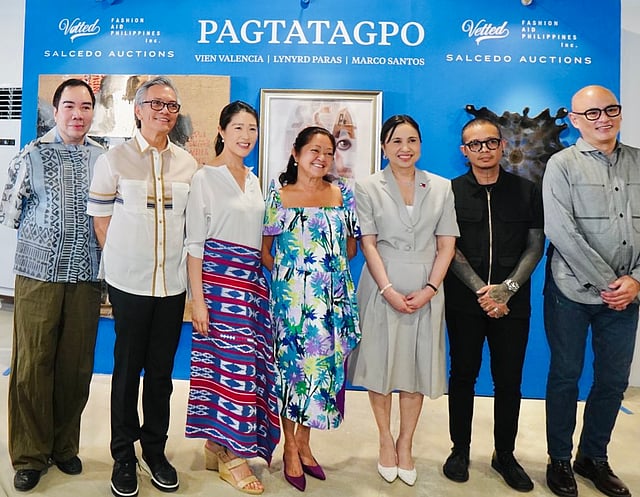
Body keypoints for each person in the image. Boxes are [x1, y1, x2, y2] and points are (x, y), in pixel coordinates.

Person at [87, 76, 198, 497]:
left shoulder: (187, 165)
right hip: (129, 285)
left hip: (171, 286)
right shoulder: (113, 160)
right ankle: (122, 455)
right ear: (137, 109)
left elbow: (191, 227)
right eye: (156, 104)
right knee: (126, 371)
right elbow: (101, 221)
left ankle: (154, 451)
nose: (164, 112)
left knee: (161, 374)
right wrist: (123, 263)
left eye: (171, 106)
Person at [0, 78, 103, 492]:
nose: (78, 114)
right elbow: (9, 211)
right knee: (32, 364)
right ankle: (29, 455)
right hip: (38, 275)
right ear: (55, 111)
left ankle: (64, 447)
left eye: (85, 107)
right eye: (70, 106)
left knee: (75, 366)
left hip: (86, 276)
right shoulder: (32, 155)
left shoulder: (103, 159)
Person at [347, 114, 458, 486]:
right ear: (384, 147)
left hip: (427, 286)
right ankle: (384, 439)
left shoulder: (440, 187)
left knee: (415, 367)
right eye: (396, 141)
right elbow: (368, 243)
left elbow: (447, 245)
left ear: (420, 145)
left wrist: (430, 288)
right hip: (382, 284)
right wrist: (387, 290)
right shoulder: (367, 186)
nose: (404, 148)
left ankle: (405, 443)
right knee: (380, 365)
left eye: (411, 140)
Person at [542, 85, 638, 497]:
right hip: (572, 292)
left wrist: (635, 280)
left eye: (610, 109)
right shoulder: (561, 165)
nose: (604, 119)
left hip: (627, 295)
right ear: (575, 121)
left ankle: (593, 457)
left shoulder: (638, 161)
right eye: (592, 113)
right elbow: (561, 230)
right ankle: (559, 459)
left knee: (613, 380)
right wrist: (609, 283)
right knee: (566, 376)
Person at [442, 118, 544, 491]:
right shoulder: (449, 192)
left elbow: (535, 245)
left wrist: (507, 290)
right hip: (465, 302)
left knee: (509, 381)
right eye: (475, 144)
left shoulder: (527, 190)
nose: (483, 150)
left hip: (513, 304)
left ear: (502, 145)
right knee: (462, 376)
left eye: (490, 142)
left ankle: (505, 455)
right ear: (464, 151)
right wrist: (482, 291)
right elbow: (448, 247)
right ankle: (459, 450)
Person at [184, 101, 280, 495]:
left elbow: (261, 240)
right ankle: (231, 455)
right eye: (238, 127)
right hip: (217, 286)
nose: (246, 135)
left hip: (252, 287)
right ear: (222, 131)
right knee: (229, 371)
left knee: (247, 369)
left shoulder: (256, 180)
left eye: (252, 128)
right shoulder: (204, 178)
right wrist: (198, 301)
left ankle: (215, 445)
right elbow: (194, 244)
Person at [261, 126, 361, 492]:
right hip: (291, 305)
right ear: (296, 153)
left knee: (319, 375)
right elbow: (265, 251)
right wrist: (293, 278)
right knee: (292, 376)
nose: (322, 158)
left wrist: (326, 266)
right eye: (314, 150)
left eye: (328, 152)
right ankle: (290, 447)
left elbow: (351, 247)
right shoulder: (278, 195)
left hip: (331, 301)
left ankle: (305, 444)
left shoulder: (342, 193)